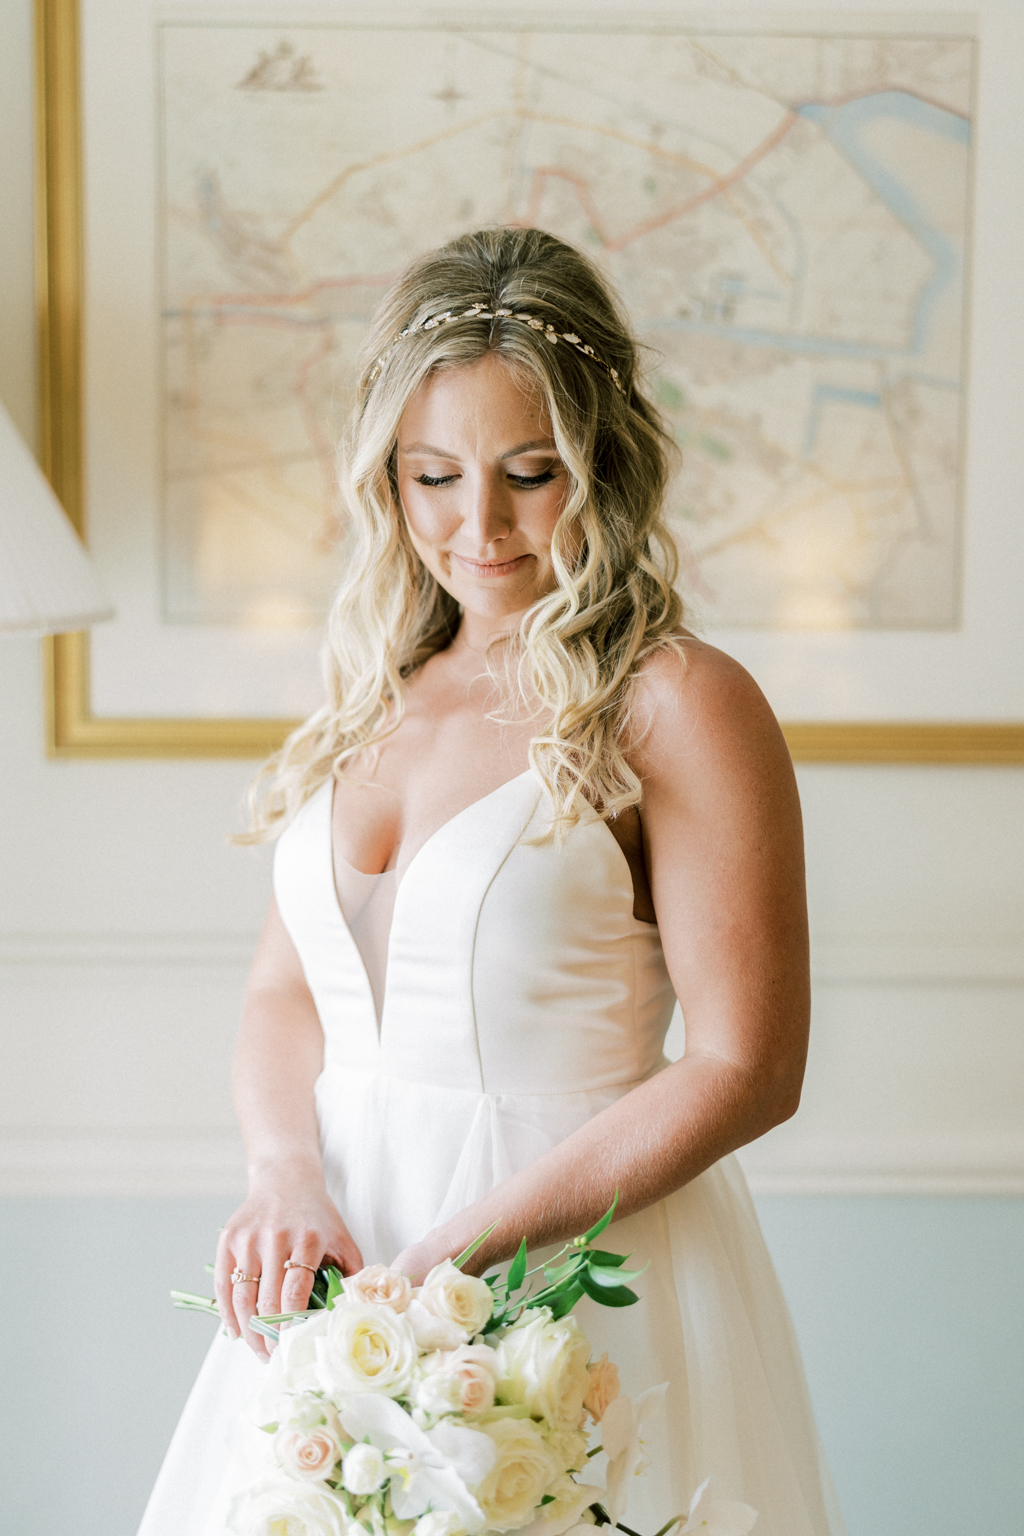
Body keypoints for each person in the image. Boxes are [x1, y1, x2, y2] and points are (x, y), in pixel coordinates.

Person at [138, 227, 844, 1536]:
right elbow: (285, 990)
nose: (481, 526)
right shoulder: (372, 694)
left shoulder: (677, 703)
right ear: (385, 476)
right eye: (433, 476)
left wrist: (455, 1264)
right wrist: (284, 1174)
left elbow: (750, 1062)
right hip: (339, 1287)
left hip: (569, 1275)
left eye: (532, 472)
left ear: (605, 460)